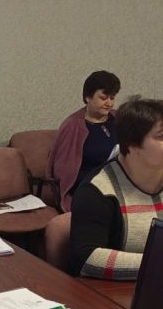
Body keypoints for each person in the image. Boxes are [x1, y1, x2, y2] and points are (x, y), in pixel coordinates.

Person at [70, 96, 163, 279]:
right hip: (116, 289)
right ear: (132, 144)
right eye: (161, 136)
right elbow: (87, 258)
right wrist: (155, 264)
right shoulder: (97, 191)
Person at [47, 70, 121, 211]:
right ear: (88, 97)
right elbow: (63, 171)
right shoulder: (73, 125)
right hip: (89, 185)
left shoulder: (118, 118)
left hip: (119, 179)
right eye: (103, 98)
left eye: (112, 98)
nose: (109, 103)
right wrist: (99, 179)